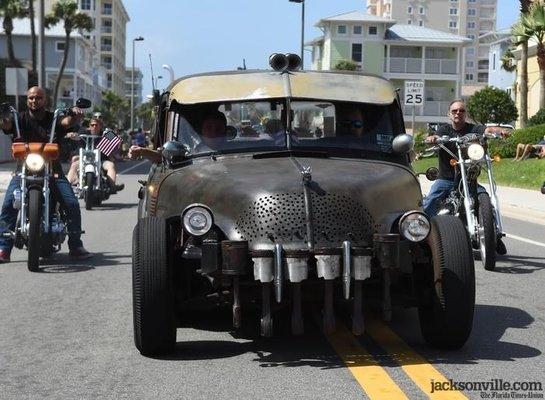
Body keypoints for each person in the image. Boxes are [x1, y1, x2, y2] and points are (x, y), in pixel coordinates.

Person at [0, 86, 92, 262]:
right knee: (8, 205)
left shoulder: (54, 118)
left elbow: (66, 123)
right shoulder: (18, 119)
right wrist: (3, 115)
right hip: (23, 170)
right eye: (31, 98)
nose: (34, 101)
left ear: (45, 100)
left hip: (52, 170)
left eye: (39, 98)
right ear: (27, 100)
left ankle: (76, 245)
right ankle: (3, 247)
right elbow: (6, 124)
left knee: (71, 203)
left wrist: (74, 114)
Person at [423, 99, 506, 253]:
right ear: (449, 114)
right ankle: (420, 234)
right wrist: (432, 139)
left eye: (461, 111)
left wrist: (497, 131)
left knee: (485, 198)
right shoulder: (444, 130)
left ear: (465, 114)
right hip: (446, 179)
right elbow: (434, 138)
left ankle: (493, 236)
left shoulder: (473, 128)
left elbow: (486, 130)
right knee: (431, 200)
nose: (458, 113)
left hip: (468, 180)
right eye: (454, 111)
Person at [129, 110, 228, 162]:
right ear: (201, 131)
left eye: (218, 129)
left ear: (225, 131)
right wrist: (142, 151)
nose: (213, 133)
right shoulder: (192, 151)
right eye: (208, 128)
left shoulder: (235, 149)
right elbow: (166, 157)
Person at [66, 117, 125, 193]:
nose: (94, 127)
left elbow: (116, 139)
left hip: (101, 160)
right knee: (74, 164)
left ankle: (112, 185)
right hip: (85, 160)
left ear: (100, 126)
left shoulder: (105, 134)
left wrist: (116, 137)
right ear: (89, 126)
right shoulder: (83, 133)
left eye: (96, 125)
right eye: (92, 125)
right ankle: (68, 185)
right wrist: (71, 135)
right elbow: (75, 135)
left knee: (111, 165)